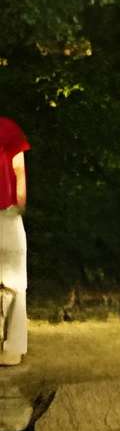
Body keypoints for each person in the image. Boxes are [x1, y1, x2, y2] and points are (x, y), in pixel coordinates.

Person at [0, 113, 24, 365]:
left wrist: (18, 204)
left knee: (14, 284)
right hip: (7, 213)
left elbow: (19, 169)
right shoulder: (8, 128)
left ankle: (13, 348)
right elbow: (19, 169)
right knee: (14, 284)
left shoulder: (8, 128)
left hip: (7, 212)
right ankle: (12, 349)